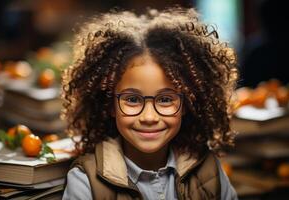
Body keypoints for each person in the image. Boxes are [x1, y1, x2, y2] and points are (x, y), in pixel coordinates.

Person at [62, 7, 238, 200]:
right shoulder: (86, 182)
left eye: (165, 99)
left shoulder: (209, 173)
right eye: (132, 99)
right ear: (111, 105)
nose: (149, 117)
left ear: (186, 104)